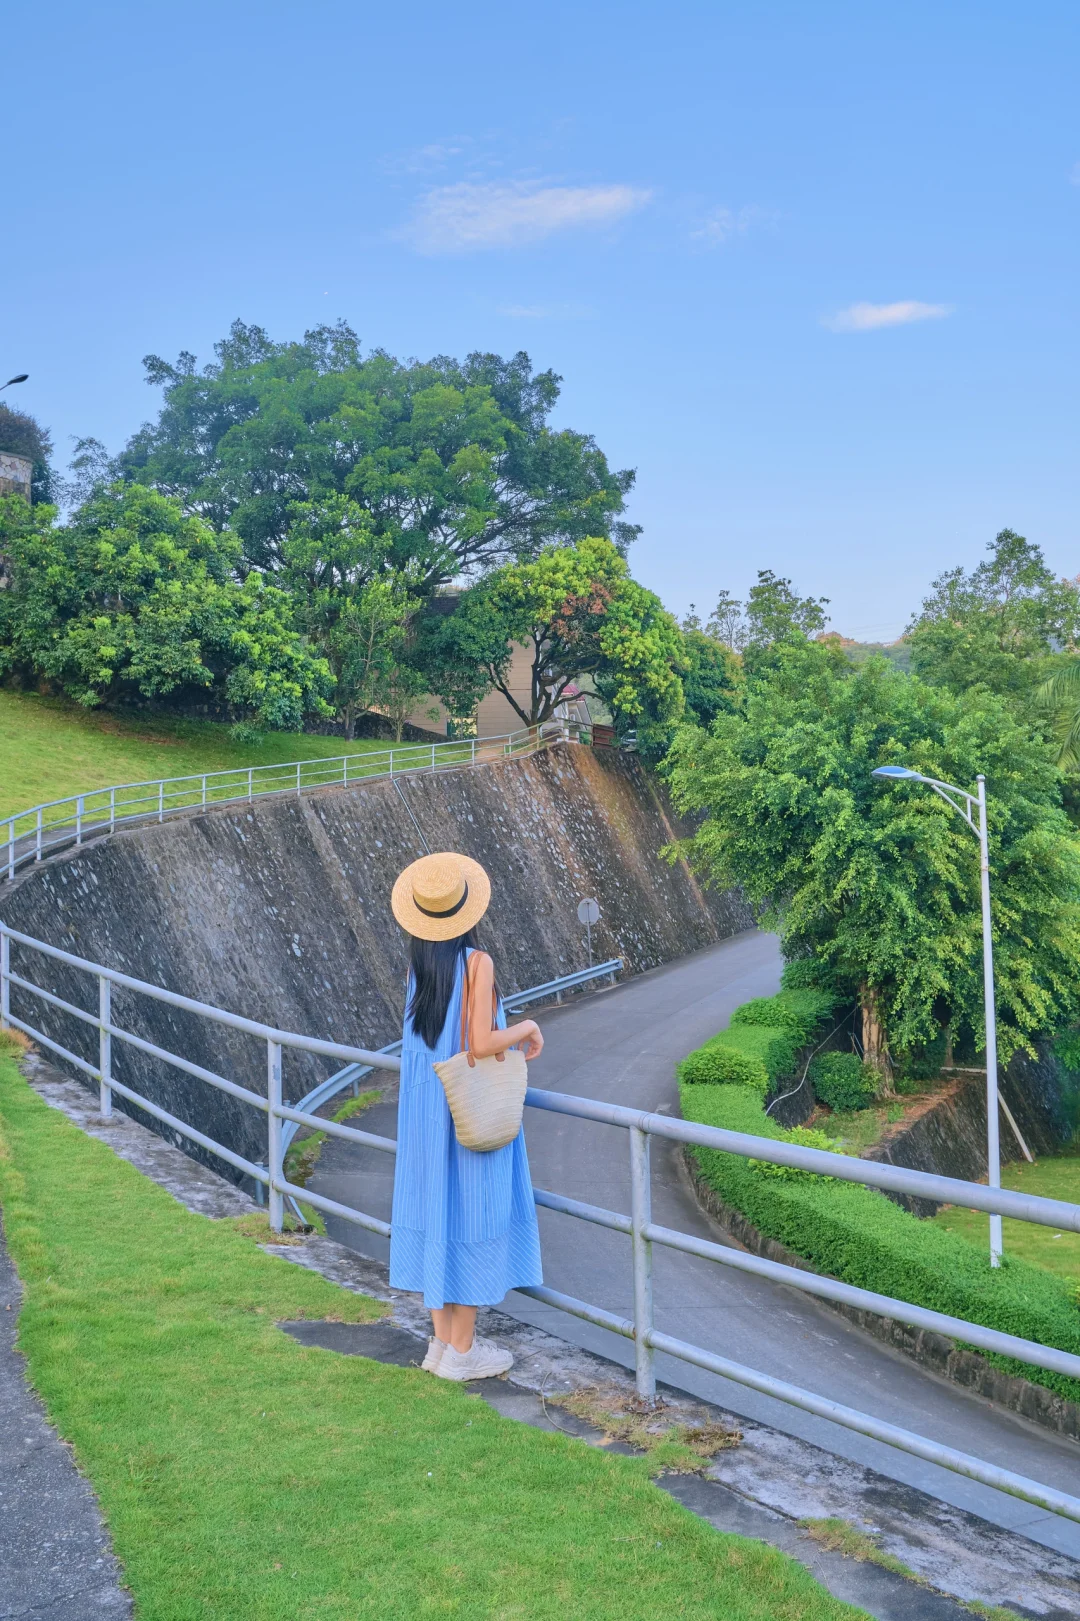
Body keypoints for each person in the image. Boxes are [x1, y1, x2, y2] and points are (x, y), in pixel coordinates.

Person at [389, 851, 544, 1380]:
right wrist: (525, 1028)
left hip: (426, 1113)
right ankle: (462, 1352)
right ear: (467, 910)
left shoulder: (418, 967)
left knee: (437, 1212)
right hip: (466, 1110)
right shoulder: (477, 964)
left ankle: (439, 1344)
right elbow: (479, 1042)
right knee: (473, 1210)